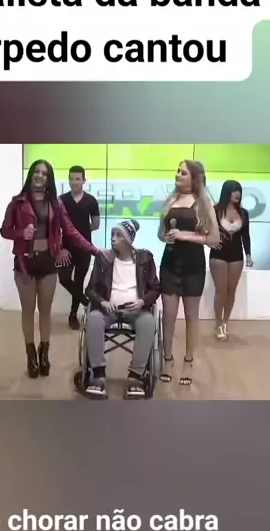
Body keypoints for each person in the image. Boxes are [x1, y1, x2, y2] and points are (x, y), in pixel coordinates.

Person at [0, 159, 100, 379]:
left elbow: (70, 231)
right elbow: (4, 230)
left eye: (44, 173)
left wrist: (94, 250)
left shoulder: (55, 203)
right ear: (31, 174)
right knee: (28, 311)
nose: (40, 176)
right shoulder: (17, 202)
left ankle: (44, 353)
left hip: (48, 262)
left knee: (45, 312)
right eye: (37, 171)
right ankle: (31, 356)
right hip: (25, 264)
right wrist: (21, 233)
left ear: (49, 178)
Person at [158, 160, 220, 386]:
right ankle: (167, 360)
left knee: (192, 317)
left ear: (194, 178)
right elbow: (161, 233)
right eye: (177, 171)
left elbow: (214, 239)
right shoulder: (170, 200)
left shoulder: (204, 204)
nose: (178, 175)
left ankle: (188, 361)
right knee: (168, 315)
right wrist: (166, 236)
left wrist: (186, 236)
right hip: (170, 264)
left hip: (193, 266)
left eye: (183, 173)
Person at [84, 219, 160, 400]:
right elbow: (90, 290)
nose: (113, 238)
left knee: (148, 322)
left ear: (128, 239)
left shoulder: (145, 259)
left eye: (118, 235)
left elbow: (155, 288)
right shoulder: (103, 258)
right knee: (93, 319)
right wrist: (102, 302)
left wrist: (142, 301)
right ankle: (98, 375)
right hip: (107, 310)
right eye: (112, 234)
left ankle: (135, 376)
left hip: (135, 311)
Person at [209, 180, 253, 340]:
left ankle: (225, 322)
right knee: (220, 291)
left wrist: (248, 254)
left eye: (239, 190)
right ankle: (218, 323)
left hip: (237, 256)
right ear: (227, 192)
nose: (237, 194)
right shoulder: (215, 210)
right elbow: (205, 230)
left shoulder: (243, 213)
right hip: (218, 255)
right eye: (234, 190)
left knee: (231, 291)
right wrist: (210, 242)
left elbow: (246, 235)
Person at [58, 165, 100, 330]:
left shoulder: (91, 201)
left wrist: (80, 231)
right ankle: (86, 302)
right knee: (64, 278)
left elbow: (95, 224)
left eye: (77, 179)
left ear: (84, 180)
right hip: (65, 249)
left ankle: (73, 315)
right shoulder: (61, 200)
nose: (74, 182)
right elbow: (55, 226)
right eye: (71, 179)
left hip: (84, 249)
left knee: (79, 282)